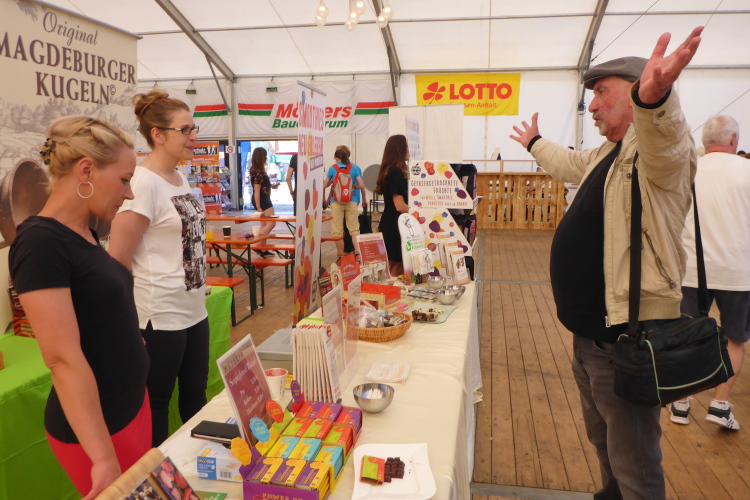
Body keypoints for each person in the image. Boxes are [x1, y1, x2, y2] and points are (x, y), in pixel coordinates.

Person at [510, 27, 703, 500]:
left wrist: (656, 99)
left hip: (625, 339)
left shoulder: (656, 153)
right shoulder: (607, 154)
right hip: (591, 339)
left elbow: (666, 137)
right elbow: (569, 163)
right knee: (606, 443)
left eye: (601, 92)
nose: (592, 105)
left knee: (634, 458)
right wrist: (535, 143)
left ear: (635, 94)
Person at [9, 116, 150, 498]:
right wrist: (102, 457)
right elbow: (62, 359)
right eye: (124, 180)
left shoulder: (84, 231)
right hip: (100, 430)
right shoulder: (40, 243)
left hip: (130, 407)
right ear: (86, 170)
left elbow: (95, 309)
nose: (129, 194)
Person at [109, 90, 209, 448]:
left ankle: (196, 465)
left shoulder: (180, 178)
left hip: (194, 310)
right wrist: (125, 322)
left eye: (193, 128)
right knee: (157, 403)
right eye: (185, 129)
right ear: (158, 134)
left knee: (196, 395)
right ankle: (155, 474)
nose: (193, 136)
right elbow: (118, 259)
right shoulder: (142, 182)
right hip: (159, 315)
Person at [668, 115, 750, 430]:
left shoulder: (688, 170)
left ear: (705, 141)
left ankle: (680, 403)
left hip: (691, 269)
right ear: (733, 140)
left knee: (687, 337)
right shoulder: (746, 170)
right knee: (735, 339)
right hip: (737, 271)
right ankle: (720, 405)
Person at [323, 145, 367, 261]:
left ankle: (341, 256)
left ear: (336, 158)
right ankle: (358, 254)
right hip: (351, 201)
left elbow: (325, 185)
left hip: (336, 201)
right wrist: (352, 186)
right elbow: (362, 185)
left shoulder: (333, 168)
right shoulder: (354, 168)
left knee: (337, 230)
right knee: (354, 229)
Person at [375, 135, 410, 277]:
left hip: (396, 224)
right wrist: (420, 212)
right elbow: (399, 206)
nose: (408, 151)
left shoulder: (393, 171)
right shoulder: (394, 172)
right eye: (406, 147)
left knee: (398, 267)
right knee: (394, 268)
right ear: (398, 149)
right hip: (394, 225)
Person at [247, 147, 277, 256]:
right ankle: (258, 245)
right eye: (265, 156)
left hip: (262, 198)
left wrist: (271, 186)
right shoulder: (259, 171)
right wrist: (258, 206)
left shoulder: (255, 169)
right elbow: (256, 189)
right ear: (261, 157)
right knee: (271, 223)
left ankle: (263, 249)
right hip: (263, 200)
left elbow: (261, 186)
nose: (266, 158)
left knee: (264, 224)